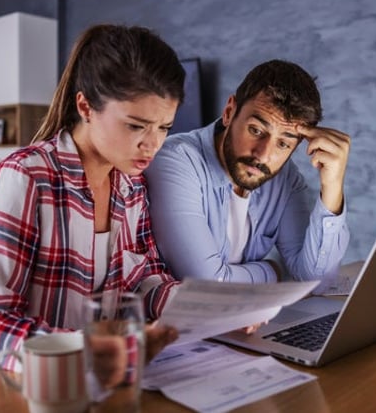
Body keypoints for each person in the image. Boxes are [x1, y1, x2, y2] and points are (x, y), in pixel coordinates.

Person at [0, 24, 184, 378]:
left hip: (82, 381)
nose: (152, 144)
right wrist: (88, 351)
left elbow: (145, 282)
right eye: (135, 126)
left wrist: (202, 308)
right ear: (85, 106)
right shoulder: (25, 178)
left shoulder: (132, 188)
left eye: (164, 127)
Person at [145, 59, 350, 291]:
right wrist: (274, 271)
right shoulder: (175, 161)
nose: (263, 155)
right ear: (230, 112)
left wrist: (333, 185)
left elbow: (316, 283)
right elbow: (207, 285)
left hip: (246, 323)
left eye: (283, 144)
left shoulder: (285, 180)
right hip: (175, 325)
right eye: (256, 130)